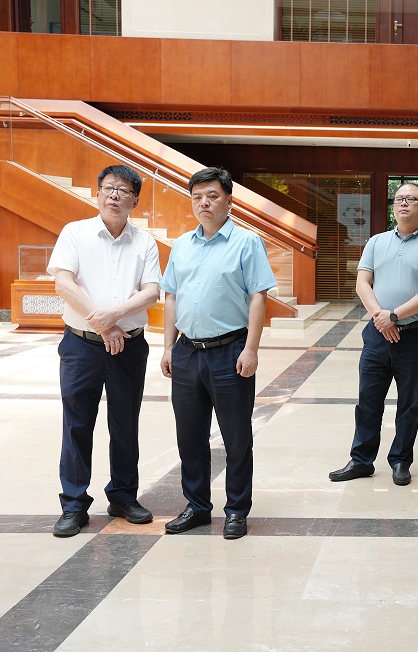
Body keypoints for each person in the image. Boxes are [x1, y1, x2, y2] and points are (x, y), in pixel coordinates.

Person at [160, 167, 276, 540]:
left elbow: (258, 297)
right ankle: (196, 506)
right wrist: (168, 346)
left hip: (230, 352)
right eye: (197, 197)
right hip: (187, 352)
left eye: (212, 196)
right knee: (189, 436)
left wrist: (251, 348)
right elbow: (171, 296)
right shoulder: (182, 245)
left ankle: (237, 509)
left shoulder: (247, 242)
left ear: (229, 201)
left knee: (236, 436)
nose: (204, 203)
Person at [47, 164, 161, 537]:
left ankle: (124, 497)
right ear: (97, 193)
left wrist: (115, 316)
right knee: (77, 423)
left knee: (125, 423)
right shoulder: (75, 233)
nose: (115, 195)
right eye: (109, 187)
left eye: (123, 190)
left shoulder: (144, 242)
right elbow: (63, 283)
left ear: (135, 201)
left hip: (130, 346)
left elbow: (151, 291)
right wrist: (105, 324)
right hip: (82, 345)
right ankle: (73, 504)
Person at [329, 183, 418, 487]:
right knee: (368, 400)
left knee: (409, 404)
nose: (404, 203)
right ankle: (361, 460)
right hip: (377, 334)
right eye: (399, 199)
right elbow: (362, 283)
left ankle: (400, 461)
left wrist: (393, 315)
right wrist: (381, 318)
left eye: (411, 199)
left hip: (416, 336)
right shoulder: (376, 242)